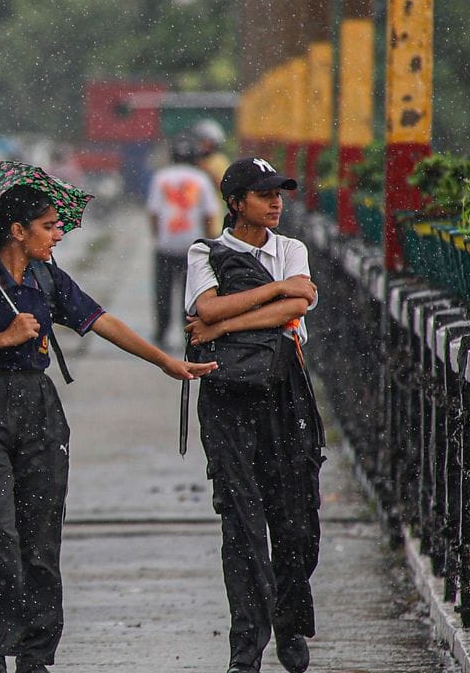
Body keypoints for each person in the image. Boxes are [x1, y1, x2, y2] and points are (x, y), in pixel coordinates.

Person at [0, 184, 216, 673]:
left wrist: (163, 361)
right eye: (48, 227)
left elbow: (101, 320)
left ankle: (36, 656)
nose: (57, 233)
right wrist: (4, 337)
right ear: (18, 231)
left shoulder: (48, 278)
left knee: (41, 543)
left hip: (40, 411)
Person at [183, 158, 323, 673]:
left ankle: (289, 621)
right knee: (241, 522)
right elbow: (207, 306)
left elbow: (298, 306)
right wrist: (273, 292)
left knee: (297, 520)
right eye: (263, 195)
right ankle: (247, 644)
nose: (275, 203)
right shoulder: (206, 251)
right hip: (228, 395)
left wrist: (224, 324)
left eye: (279, 194)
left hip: (285, 391)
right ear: (236, 202)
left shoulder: (293, 249)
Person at [145, 136, 221, 347]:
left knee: (163, 290)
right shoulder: (201, 178)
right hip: (192, 245)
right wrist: (208, 241)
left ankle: (161, 331)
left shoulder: (161, 177)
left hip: (166, 244)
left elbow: (153, 212)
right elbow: (209, 213)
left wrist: (157, 237)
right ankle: (188, 332)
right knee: (190, 292)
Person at [193, 119, 231, 235]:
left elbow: (225, 187)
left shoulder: (218, 160)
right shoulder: (195, 161)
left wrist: (207, 172)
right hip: (193, 221)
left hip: (213, 221)